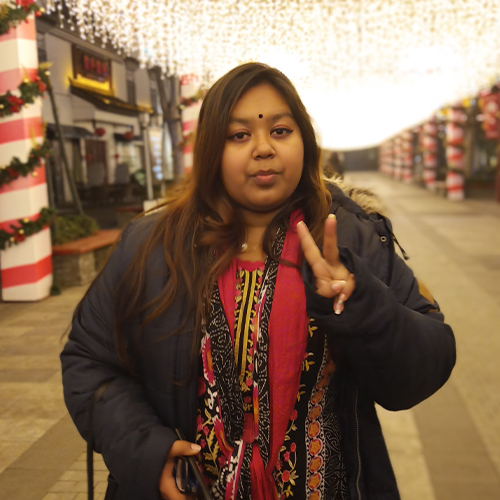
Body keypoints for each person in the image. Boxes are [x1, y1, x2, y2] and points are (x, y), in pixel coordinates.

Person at [61, 63, 456, 500]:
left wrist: (363, 305)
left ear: (305, 141)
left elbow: (424, 369)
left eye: (281, 131)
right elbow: (89, 360)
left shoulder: (350, 238)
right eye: (239, 135)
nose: (263, 149)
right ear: (211, 150)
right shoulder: (152, 245)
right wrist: (145, 452)